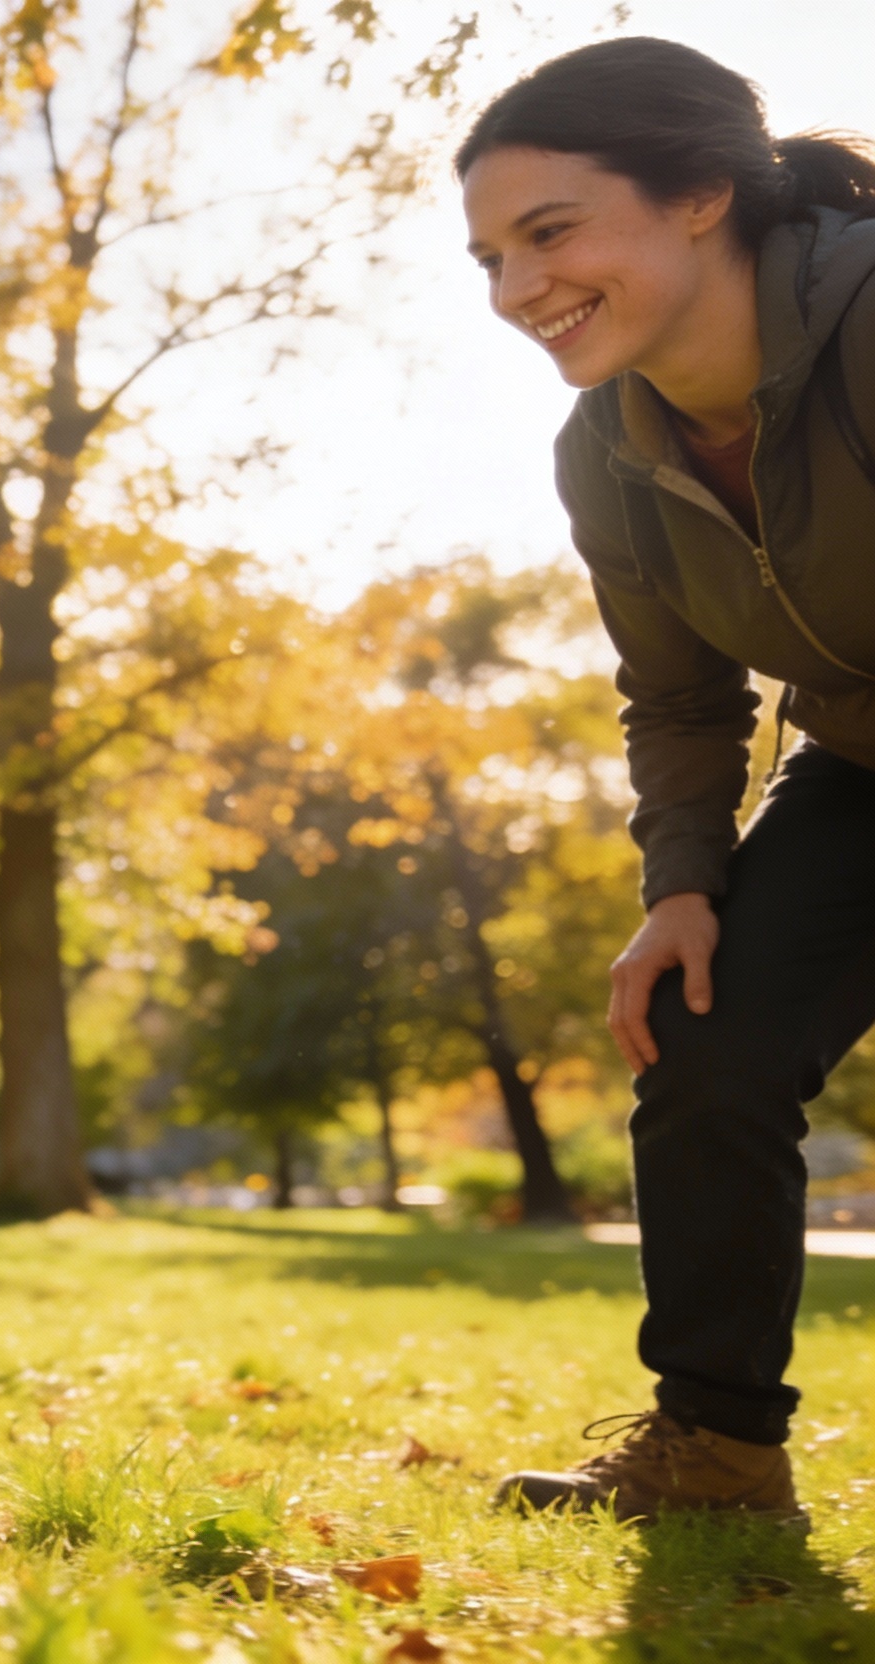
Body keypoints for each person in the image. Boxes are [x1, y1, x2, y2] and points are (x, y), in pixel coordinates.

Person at [458, 36, 875, 1524]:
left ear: (702, 194)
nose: (518, 291)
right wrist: (685, 891)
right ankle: (716, 1455)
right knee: (707, 1045)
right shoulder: (607, 451)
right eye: (491, 258)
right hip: (860, 761)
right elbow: (680, 696)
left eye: (551, 233)